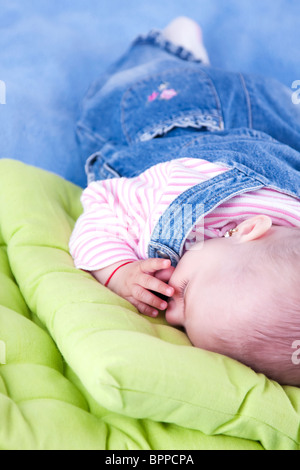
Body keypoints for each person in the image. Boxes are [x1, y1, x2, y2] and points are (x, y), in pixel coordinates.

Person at [70, 17, 300, 386]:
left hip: (270, 111)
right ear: (244, 229)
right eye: (188, 291)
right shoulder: (168, 210)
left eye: (184, 326)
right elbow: (103, 203)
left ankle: (185, 52)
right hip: (165, 106)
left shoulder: (270, 241)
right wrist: (117, 271)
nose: (172, 315)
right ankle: (170, 45)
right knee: (115, 92)